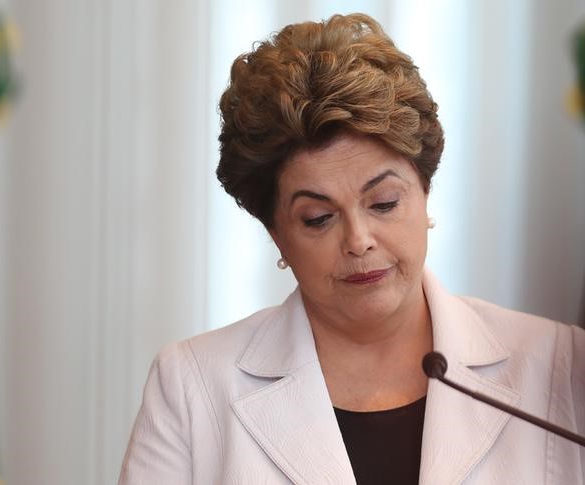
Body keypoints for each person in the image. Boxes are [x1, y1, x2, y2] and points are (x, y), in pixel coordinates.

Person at [118, 13, 585, 484]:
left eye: (383, 203)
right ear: (276, 234)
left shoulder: (560, 366)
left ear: (425, 192)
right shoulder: (192, 386)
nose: (358, 240)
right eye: (318, 218)